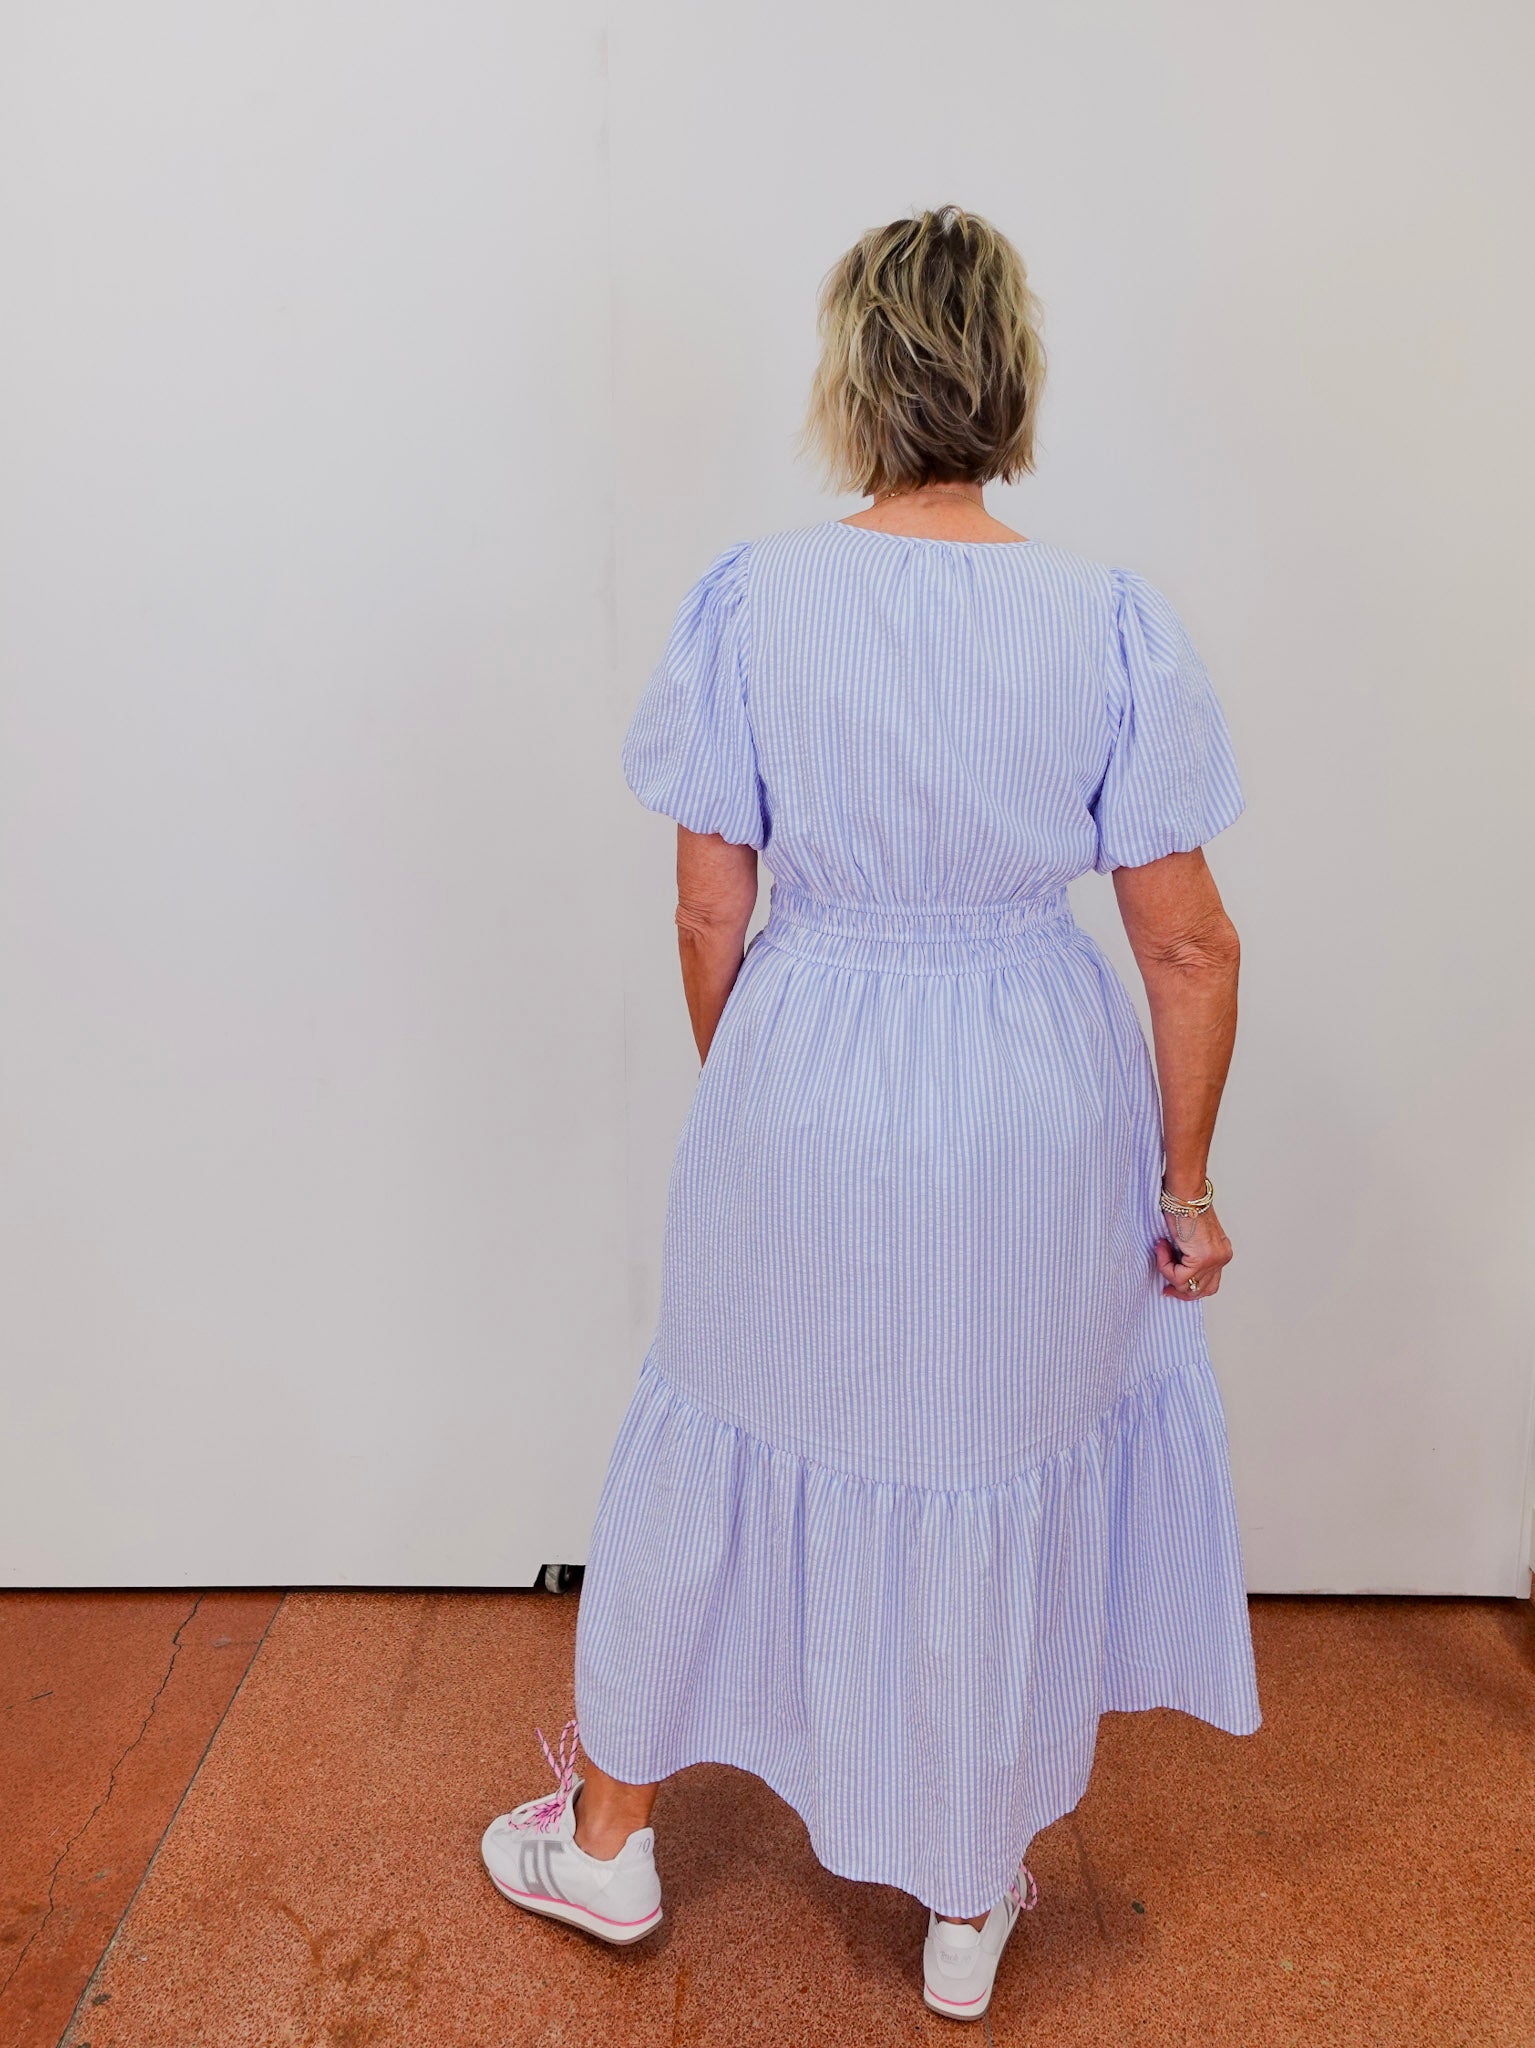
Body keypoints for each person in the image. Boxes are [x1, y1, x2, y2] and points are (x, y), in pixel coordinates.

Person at [481, 204, 1261, 2024]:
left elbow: (704, 907)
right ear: (1011, 383)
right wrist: (1192, 1183)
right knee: (992, 1458)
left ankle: (606, 1844)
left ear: (853, 381)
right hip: (1032, 1090)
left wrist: (772, 1097)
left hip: (806, 1061)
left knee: (724, 1427)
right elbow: (1191, 946)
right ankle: (970, 1901)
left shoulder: (755, 595)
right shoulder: (1109, 619)